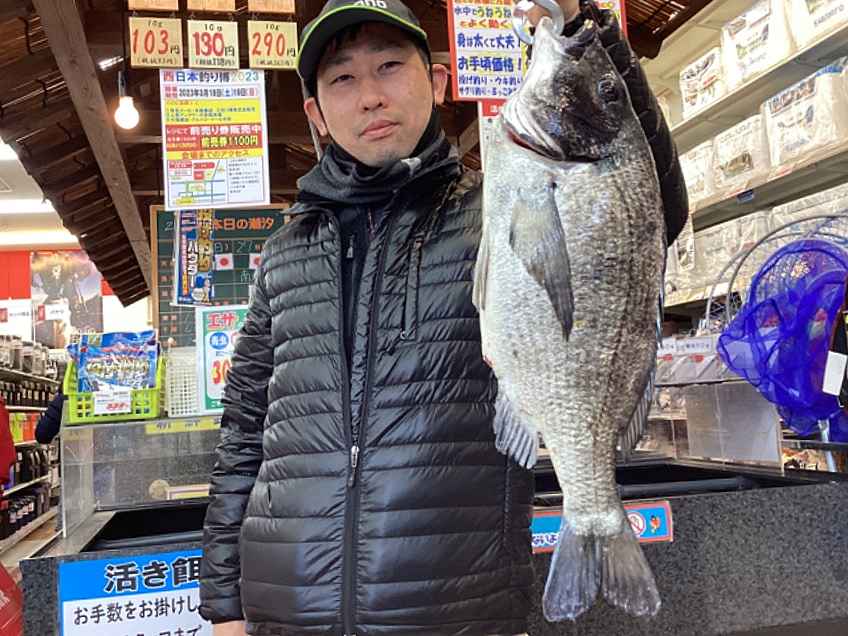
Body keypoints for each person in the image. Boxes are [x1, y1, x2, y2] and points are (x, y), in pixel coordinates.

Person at [199, 0, 689, 634]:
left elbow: (647, 206)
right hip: (288, 611)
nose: (370, 96)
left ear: (436, 82)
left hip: (460, 610)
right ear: (316, 115)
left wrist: (582, 29)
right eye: (343, 78)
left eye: (389, 66)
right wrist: (223, 603)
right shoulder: (283, 252)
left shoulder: (494, 209)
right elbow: (243, 431)